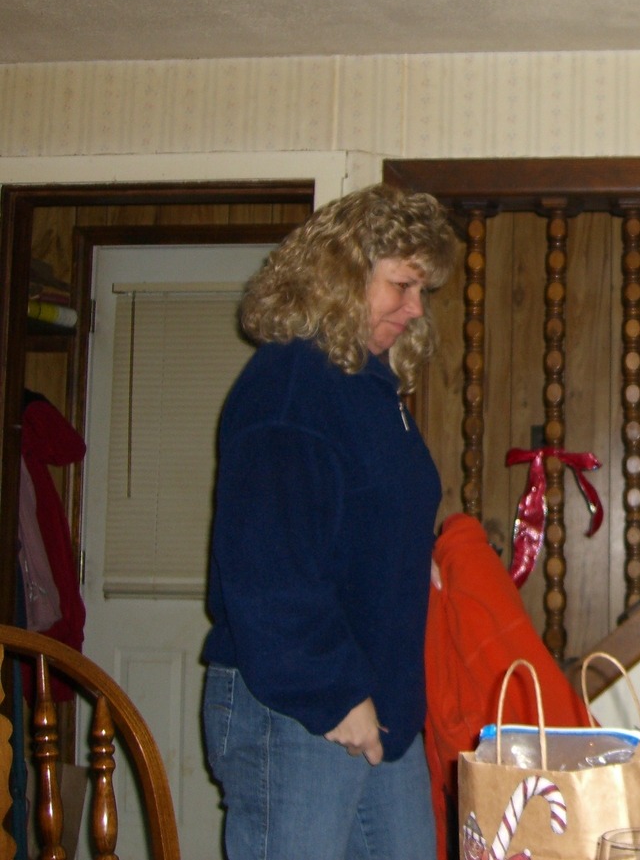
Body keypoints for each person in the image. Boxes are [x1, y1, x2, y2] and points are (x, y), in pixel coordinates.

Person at [201, 184, 457, 860]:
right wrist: (335, 694)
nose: (416, 308)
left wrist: (414, 555)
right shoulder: (292, 384)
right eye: (402, 285)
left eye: (422, 291)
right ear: (343, 276)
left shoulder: (366, 389)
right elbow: (268, 565)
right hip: (301, 702)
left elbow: (355, 517)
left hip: (375, 698)